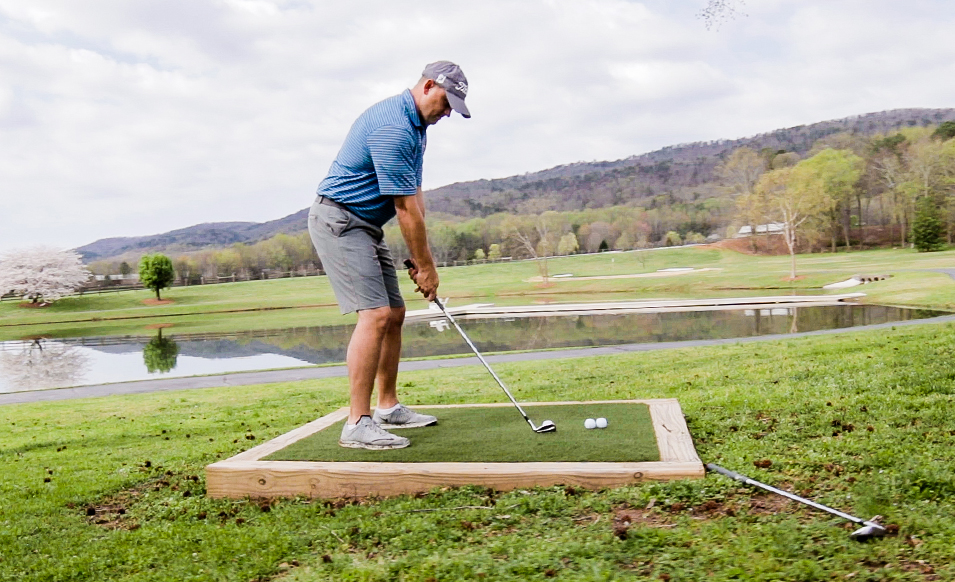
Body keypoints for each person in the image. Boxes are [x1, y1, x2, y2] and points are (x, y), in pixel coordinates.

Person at [307, 61, 471, 450]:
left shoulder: (417, 127)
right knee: (376, 314)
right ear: (429, 86)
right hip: (340, 220)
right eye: (447, 103)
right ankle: (357, 423)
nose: (448, 113)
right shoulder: (394, 127)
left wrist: (420, 259)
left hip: (366, 224)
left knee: (395, 314)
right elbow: (403, 208)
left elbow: (414, 198)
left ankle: (387, 406)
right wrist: (428, 268)